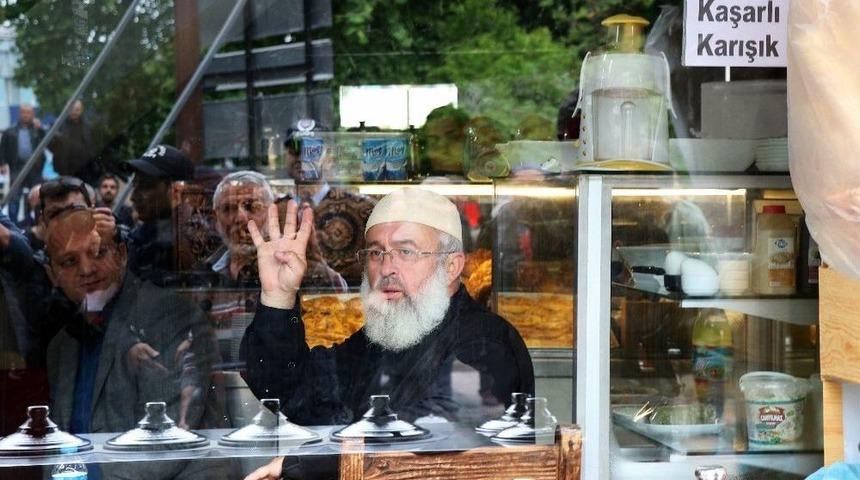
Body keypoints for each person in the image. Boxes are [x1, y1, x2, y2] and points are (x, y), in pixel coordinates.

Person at [241, 187, 534, 480]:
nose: (386, 268)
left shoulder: (486, 342)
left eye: (405, 252)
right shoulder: (383, 337)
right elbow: (296, 393)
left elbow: (433, 433)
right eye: (375, 252)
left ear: (451, 266)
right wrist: (278, 298)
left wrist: (305, 464)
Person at [41, 206, 218, 435]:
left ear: (122, 255)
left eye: (98, 253)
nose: (86, 269)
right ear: (52, 275)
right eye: (69, 261)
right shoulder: (62, 347)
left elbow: (167, 440)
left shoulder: (169, 316)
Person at [208, 170, 347, 290]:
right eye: (228, 209)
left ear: (273, 211)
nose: (240, 218)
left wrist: (316, 271)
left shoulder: (300, 267)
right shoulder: (205, 271)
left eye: (252, 206)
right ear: (216, 219)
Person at [121, 144, 194, 286]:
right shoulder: (141, 237)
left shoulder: (201, 240)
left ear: (177, 191)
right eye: (135, 185)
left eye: (146, 186)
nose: (133, 197)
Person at [0, 104, 46, 224]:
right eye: (23, 112)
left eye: (28, 112)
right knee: (14, 196)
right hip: (17, 167)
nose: (25, 115)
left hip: (34, 168)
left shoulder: (37, 130)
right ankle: (12, 225)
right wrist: (2, 164)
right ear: (19, 114)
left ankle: (32, 223)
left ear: (33, 114)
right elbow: (2, 149)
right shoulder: (10, 131)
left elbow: (48, 141)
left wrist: (40, 128)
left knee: (35, 196)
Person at [50, 99, 100, 186]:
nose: (74, 112)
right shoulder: (58, 126)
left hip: (85, 170)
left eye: (77, 109)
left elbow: (93, 146)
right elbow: (51, 147)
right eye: (71, 109)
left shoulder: (88, 126)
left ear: (81, 110)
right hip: (65, 170)